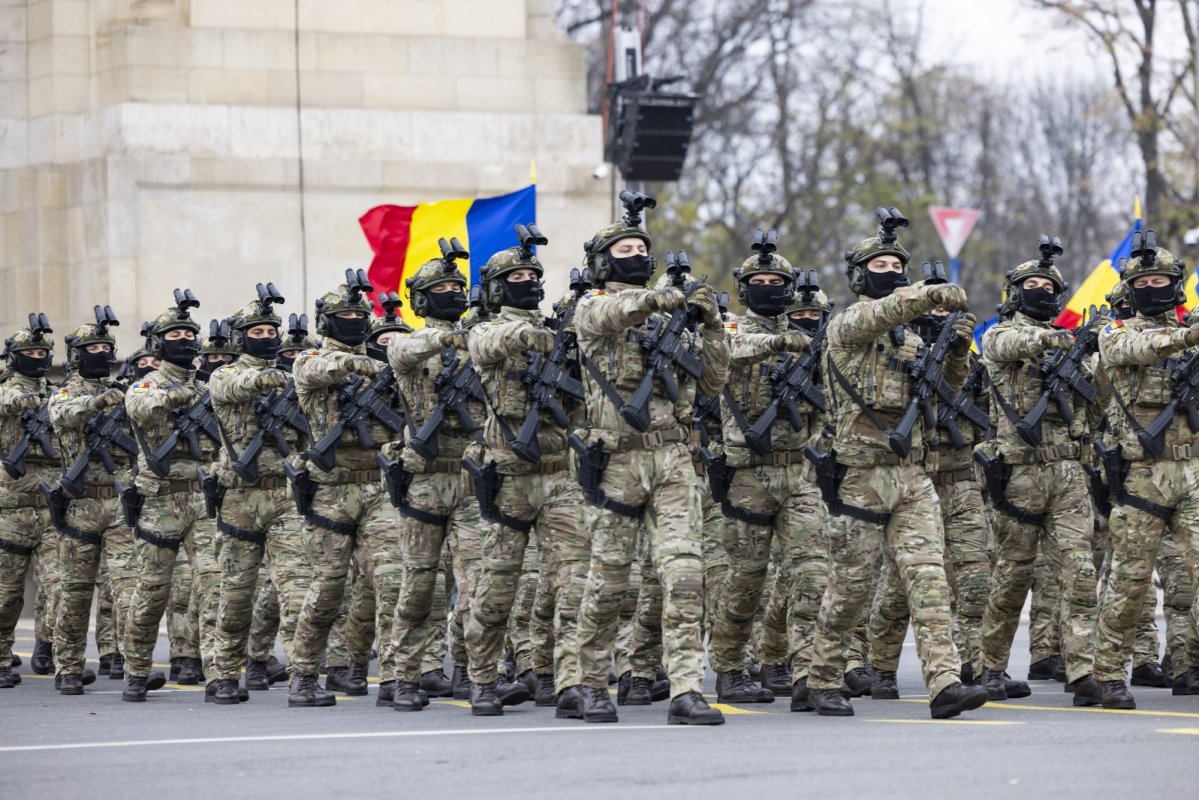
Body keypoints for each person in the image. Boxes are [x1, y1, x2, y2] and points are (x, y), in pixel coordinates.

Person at [805, 209, 987, 719]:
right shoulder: (848, 326)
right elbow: (881, 314)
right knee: (850, 590)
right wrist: (928, 294)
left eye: (895, 264)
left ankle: (944, 682)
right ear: (862, 277)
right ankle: (821, 678)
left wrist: (955, 348)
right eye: (880, 263)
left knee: (929, 578)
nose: (890, 270)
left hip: (911, 476)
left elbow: (947, 391)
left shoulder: (910, 341)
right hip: (860, 476)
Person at [563, 194, 730, 725]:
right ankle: (587, 681)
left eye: (642, 247)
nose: (636, 255)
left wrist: (708, 325)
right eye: (625, 249)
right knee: (610, 581)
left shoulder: (670, 318)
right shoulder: (591, 307)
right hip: (615, 462)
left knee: (684, 573)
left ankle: (685, 686)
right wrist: (665, 299)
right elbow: (618, 311)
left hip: (673, 458)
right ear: (605, 262)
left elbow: (711, 380)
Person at [462, 240, 592, 715]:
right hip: (508, 477)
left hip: (560, 477)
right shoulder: (486, 330)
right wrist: (529, 338)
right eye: (515, 279)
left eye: (532, 277)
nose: (528, 284)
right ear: (495, 290)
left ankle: (567, 680)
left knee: (575, 583)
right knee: (496, 587)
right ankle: (483, 678)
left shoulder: (560, 331)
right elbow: (485, 344)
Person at [979, 238, 1101, 706]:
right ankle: (990, 667)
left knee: (1079, 572)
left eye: (1049, 286)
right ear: (1015, 291)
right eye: (1032, 285)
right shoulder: (999, 336)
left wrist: (1090, 350)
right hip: (1018, 474)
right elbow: (1011, 342)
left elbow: (1097, 392)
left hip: (1068, 473)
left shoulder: (1069, 345)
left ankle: (1082, 670)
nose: (1041, 292)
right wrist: (1055, 339)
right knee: (1013, 577)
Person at [1092, 235, 1199, 706]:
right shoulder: (1115, 333)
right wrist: (1187, 336)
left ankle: (1189, 663)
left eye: (1162, 280)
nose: (1154, 287)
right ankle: (1110, 674)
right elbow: (1137, 350)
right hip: (1140, 477)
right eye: (1144, 282)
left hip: (1192, 472)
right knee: (1129, 584)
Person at [386, 254, 488, 711]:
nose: (453, 295)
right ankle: (405, 676)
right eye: (442, 289)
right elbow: (405, 352)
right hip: (425, 483)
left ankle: (472, 672)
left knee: (477, 584)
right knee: (419, 586)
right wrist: (451, 337)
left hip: (469, 478)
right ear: (424, 299)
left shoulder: (478, 344)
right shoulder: (409, 345)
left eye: (457, 288)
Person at [121, 291, 222, 702]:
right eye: (175, 333)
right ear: (160, 343)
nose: (184, 339)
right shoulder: (145, 384)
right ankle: (135, 671)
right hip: (160, 501)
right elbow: (142, 408)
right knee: (151, 591)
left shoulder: (210, 389)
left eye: (188, 333)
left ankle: (220, 673)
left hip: (203, 498)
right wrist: (182, 395)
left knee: (215, 587)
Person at [48, 311, 134, 695]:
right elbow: (64, 414)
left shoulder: (123, 391)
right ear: (77, 355)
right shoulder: (66, 392)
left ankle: (134, 664)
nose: (100, 353)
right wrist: (100, 402)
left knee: (129, 589)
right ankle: (67, 667)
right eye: (92, 348)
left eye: (105, 347)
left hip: (117, 504)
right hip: (80, 505)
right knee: (76, 592)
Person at [0, 316, 60, 689]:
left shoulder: (58, 393)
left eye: (42, 352)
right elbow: (12, 401)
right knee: (7, 593)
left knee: (58, 586)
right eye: (30, 353)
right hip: (12, 508)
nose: (37, 358)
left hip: (51, 506)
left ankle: (49, 645)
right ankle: (2, 658)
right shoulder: (7, 392)